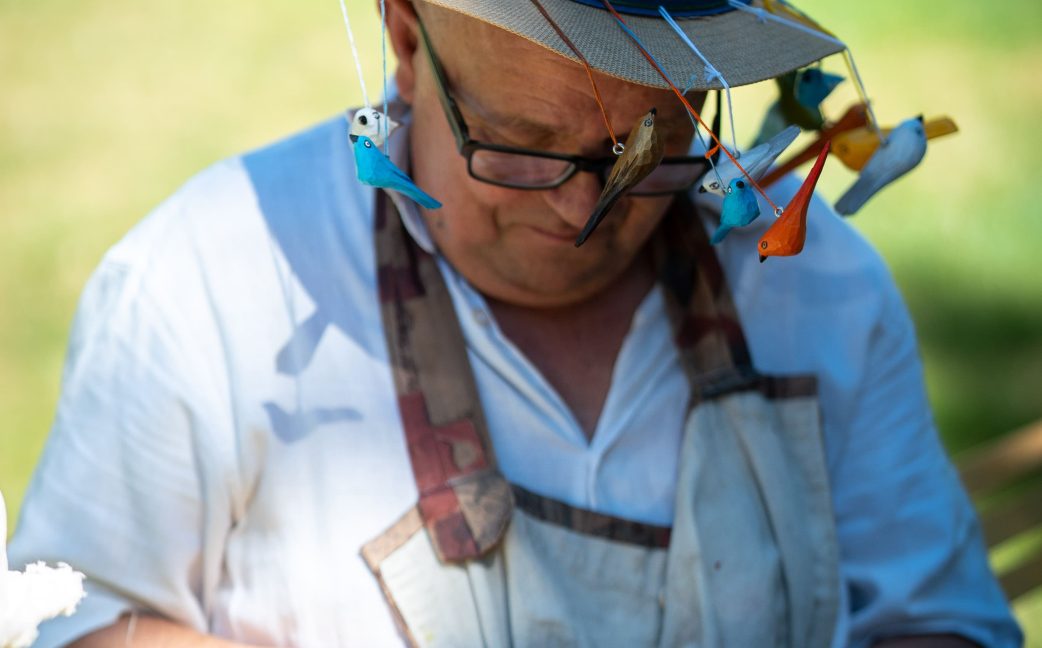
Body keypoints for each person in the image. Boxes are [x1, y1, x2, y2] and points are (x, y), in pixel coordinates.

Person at [9, 1, 1023, 646]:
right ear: (406, 41)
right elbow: (67, 618)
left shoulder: (813, 284)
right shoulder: (205, 282)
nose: (583, 214)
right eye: (525, 143)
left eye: (650, 149)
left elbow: (938, 623)